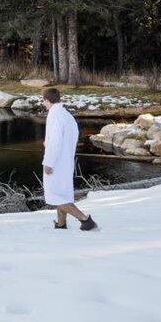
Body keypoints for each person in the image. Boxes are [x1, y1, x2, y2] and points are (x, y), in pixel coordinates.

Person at [42, 87, 98, 231]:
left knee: (55, 195)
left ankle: (85, 220)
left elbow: (55, 141)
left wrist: (48, 162)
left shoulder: (55, 115)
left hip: (56, 162)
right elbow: (71, 136)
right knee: (62, 193)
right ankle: (61, 224)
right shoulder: (66, 114)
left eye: (44, 100)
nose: (43, 103)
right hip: (66, 160)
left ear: (47, 100)